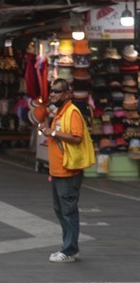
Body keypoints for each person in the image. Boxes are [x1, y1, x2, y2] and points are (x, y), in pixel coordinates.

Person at [38, 79, 87, 263]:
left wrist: (52, 132)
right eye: (51, 91)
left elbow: (76, 137)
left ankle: (70, 250)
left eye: (57, 91)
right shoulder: (60, 112)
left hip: (69, 171)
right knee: (61, 210)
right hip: (58, 170)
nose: (52, 94)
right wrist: (48, 131)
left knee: (68, 211)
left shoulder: (72, 112)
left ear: (67, 94)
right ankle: (69, 247)